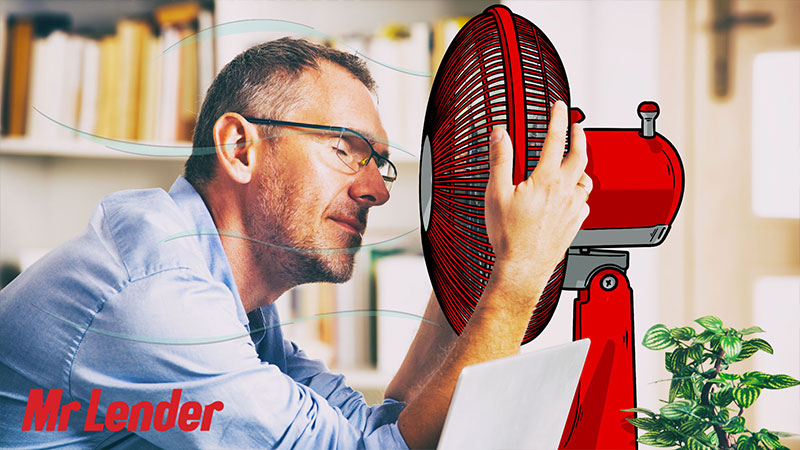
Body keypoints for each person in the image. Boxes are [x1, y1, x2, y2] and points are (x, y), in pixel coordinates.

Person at [0, 38, 592, 449]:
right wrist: (520, 275)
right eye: (345, 149)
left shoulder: (235, 301)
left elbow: (381, 430)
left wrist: (466, 263)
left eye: (378, 164)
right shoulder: (157, 298)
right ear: (238, 148)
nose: (375, 192)